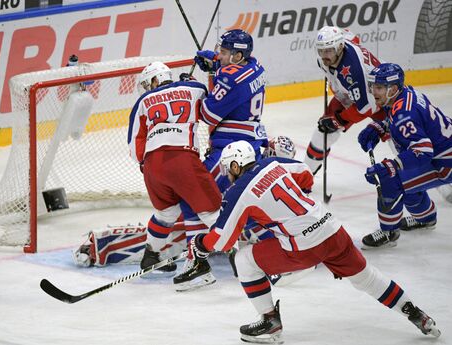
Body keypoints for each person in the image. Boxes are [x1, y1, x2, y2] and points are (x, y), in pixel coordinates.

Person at [186, 140, 441, 343]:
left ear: (234, 166)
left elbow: (220, 240)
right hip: (332, 228)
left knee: (243, 260)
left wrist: (199, 245)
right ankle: (416, 313)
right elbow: (305, 173)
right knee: (367, 277)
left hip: (304, 247)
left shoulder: (238, 192)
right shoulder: (274, 163)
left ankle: (269, 321)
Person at [171, 28, 270, 290]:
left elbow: (208, 115)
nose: (220, 55)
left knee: (194, 198)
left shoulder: (230, 76)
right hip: (249, 144)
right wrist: (216, 65)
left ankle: (198, 266)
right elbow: (231, 80)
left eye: (224, 52)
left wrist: (192, 87)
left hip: (231, 149)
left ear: (237, 55)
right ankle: (279, 249)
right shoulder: (255, 65)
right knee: (237, 201)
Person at [127, 61, 221, 276]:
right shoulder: (194, 89)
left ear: (154, 80)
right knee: (212, 212)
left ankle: (151, 255)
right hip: (183, 158)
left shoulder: (142, 101)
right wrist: (192, 81)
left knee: (166, 213)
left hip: (152, 165)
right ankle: (236, 254)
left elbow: (134, 145)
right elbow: (211, 101)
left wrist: (147, 165)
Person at [358, 63, 452, 248]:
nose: (373, 91)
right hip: (443, 152)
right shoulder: (406, 93)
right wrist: (382, 126)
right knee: (407, 179)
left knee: (391, 180)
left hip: (445, 162)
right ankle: (425, 219)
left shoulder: (404, 114)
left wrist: (392, 166)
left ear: (392, 88)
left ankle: (389, 232)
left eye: (378, 87)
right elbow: (404, 120)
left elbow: (423, 151)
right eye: (372, 86)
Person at [304, 26, 385, 175]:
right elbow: (350, 35)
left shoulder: (353, 69)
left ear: (340, 47)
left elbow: (367, 107)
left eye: (328, 50)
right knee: (324, 131)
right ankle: (304, 177)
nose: (324, 55)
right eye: (321, 51)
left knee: (401, 141)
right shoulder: (338, 46)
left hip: (381, 101)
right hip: (351, 94)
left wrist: (339, 119)